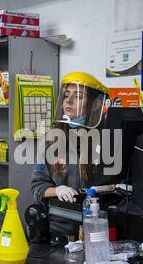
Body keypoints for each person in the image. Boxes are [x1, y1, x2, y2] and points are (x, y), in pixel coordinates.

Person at [31, 72, 109, 206]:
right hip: (60, 221)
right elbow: (37, 188)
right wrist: (58, 190)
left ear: (96, 104)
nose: (69, 100)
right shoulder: (51, 139)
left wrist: (108, 188)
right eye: (66, 95)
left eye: (78, 96)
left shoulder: (106, 139)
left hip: (97, 219)